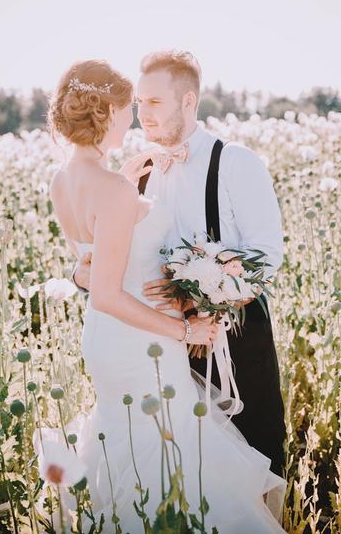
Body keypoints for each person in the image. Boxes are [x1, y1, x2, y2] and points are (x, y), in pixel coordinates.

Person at [48, 58, 285, 532]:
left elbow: (266, 257)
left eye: (154, 102)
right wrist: (79, 274)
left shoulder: (235, 162)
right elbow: (107, 262)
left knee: (251, 451)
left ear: (188, 101)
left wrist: (202, 299)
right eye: (137, 103)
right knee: (170, 456)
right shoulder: (132, 173)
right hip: (154, 339)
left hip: (227, 330)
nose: (142, 115)